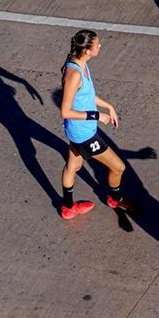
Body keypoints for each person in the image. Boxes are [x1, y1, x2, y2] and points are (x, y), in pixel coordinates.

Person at [58, 30, 133, 219]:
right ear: (88, 50)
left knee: (73, 166)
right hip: (84, 134)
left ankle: (68, 208)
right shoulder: (74, 74)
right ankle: (115, 198)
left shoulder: (81, 64)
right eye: (97, 44)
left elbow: (86, 95)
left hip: (77, 131)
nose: (100, 46)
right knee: (118, 167)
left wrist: (109, 106)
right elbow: (65, 111)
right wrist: (97, 116)